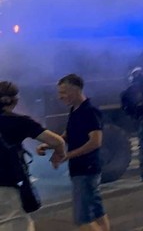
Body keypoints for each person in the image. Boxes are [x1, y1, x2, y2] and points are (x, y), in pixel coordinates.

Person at [39, 74, 110, 231]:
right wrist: (48, 145)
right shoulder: (75, 110)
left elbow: (95, 142)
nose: (60, 97)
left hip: (87, 170)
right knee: (97, 211)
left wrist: (67, 156)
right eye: (59, 92)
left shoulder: (90, 111)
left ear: (76, 89)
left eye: (64, 92)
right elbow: (68, 135)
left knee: (82, 218)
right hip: (82, 169)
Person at [1, 81, 66, 231]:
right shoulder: (20, 122)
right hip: (8, 187)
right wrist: (59, 154)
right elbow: (57, 141)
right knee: (15, 224)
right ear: (15, 100)